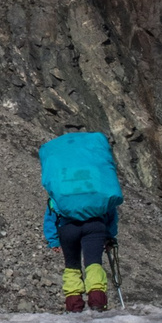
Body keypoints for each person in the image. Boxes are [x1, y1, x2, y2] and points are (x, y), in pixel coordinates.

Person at [40, 131, 124, 312]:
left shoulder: (62, 192)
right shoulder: (98, 188)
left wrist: (53, 240)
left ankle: (74, 305)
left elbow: (50, 215)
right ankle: (97, 303)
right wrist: (110, 236)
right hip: (95, 226)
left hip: (67, 228)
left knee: (71, 266)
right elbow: (110, 213)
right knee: (93, 263)